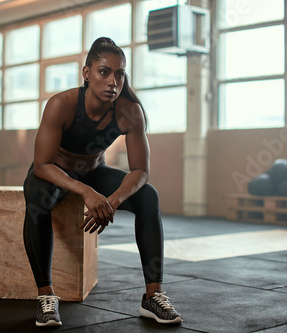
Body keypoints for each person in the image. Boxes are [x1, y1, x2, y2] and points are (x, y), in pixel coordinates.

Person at [23, 37, 182, 327]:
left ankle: (153, 295)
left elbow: (140, 171)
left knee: (149, 196)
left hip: (95, 170)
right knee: (37, 199)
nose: (113, 81)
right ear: (87, 73)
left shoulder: (129, 111)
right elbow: (43, 164)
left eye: (119, 74)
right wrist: (87, 193)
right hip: (55, 172)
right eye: (104, 72)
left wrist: (113, 200)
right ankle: (45, 296)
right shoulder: (62, 104)